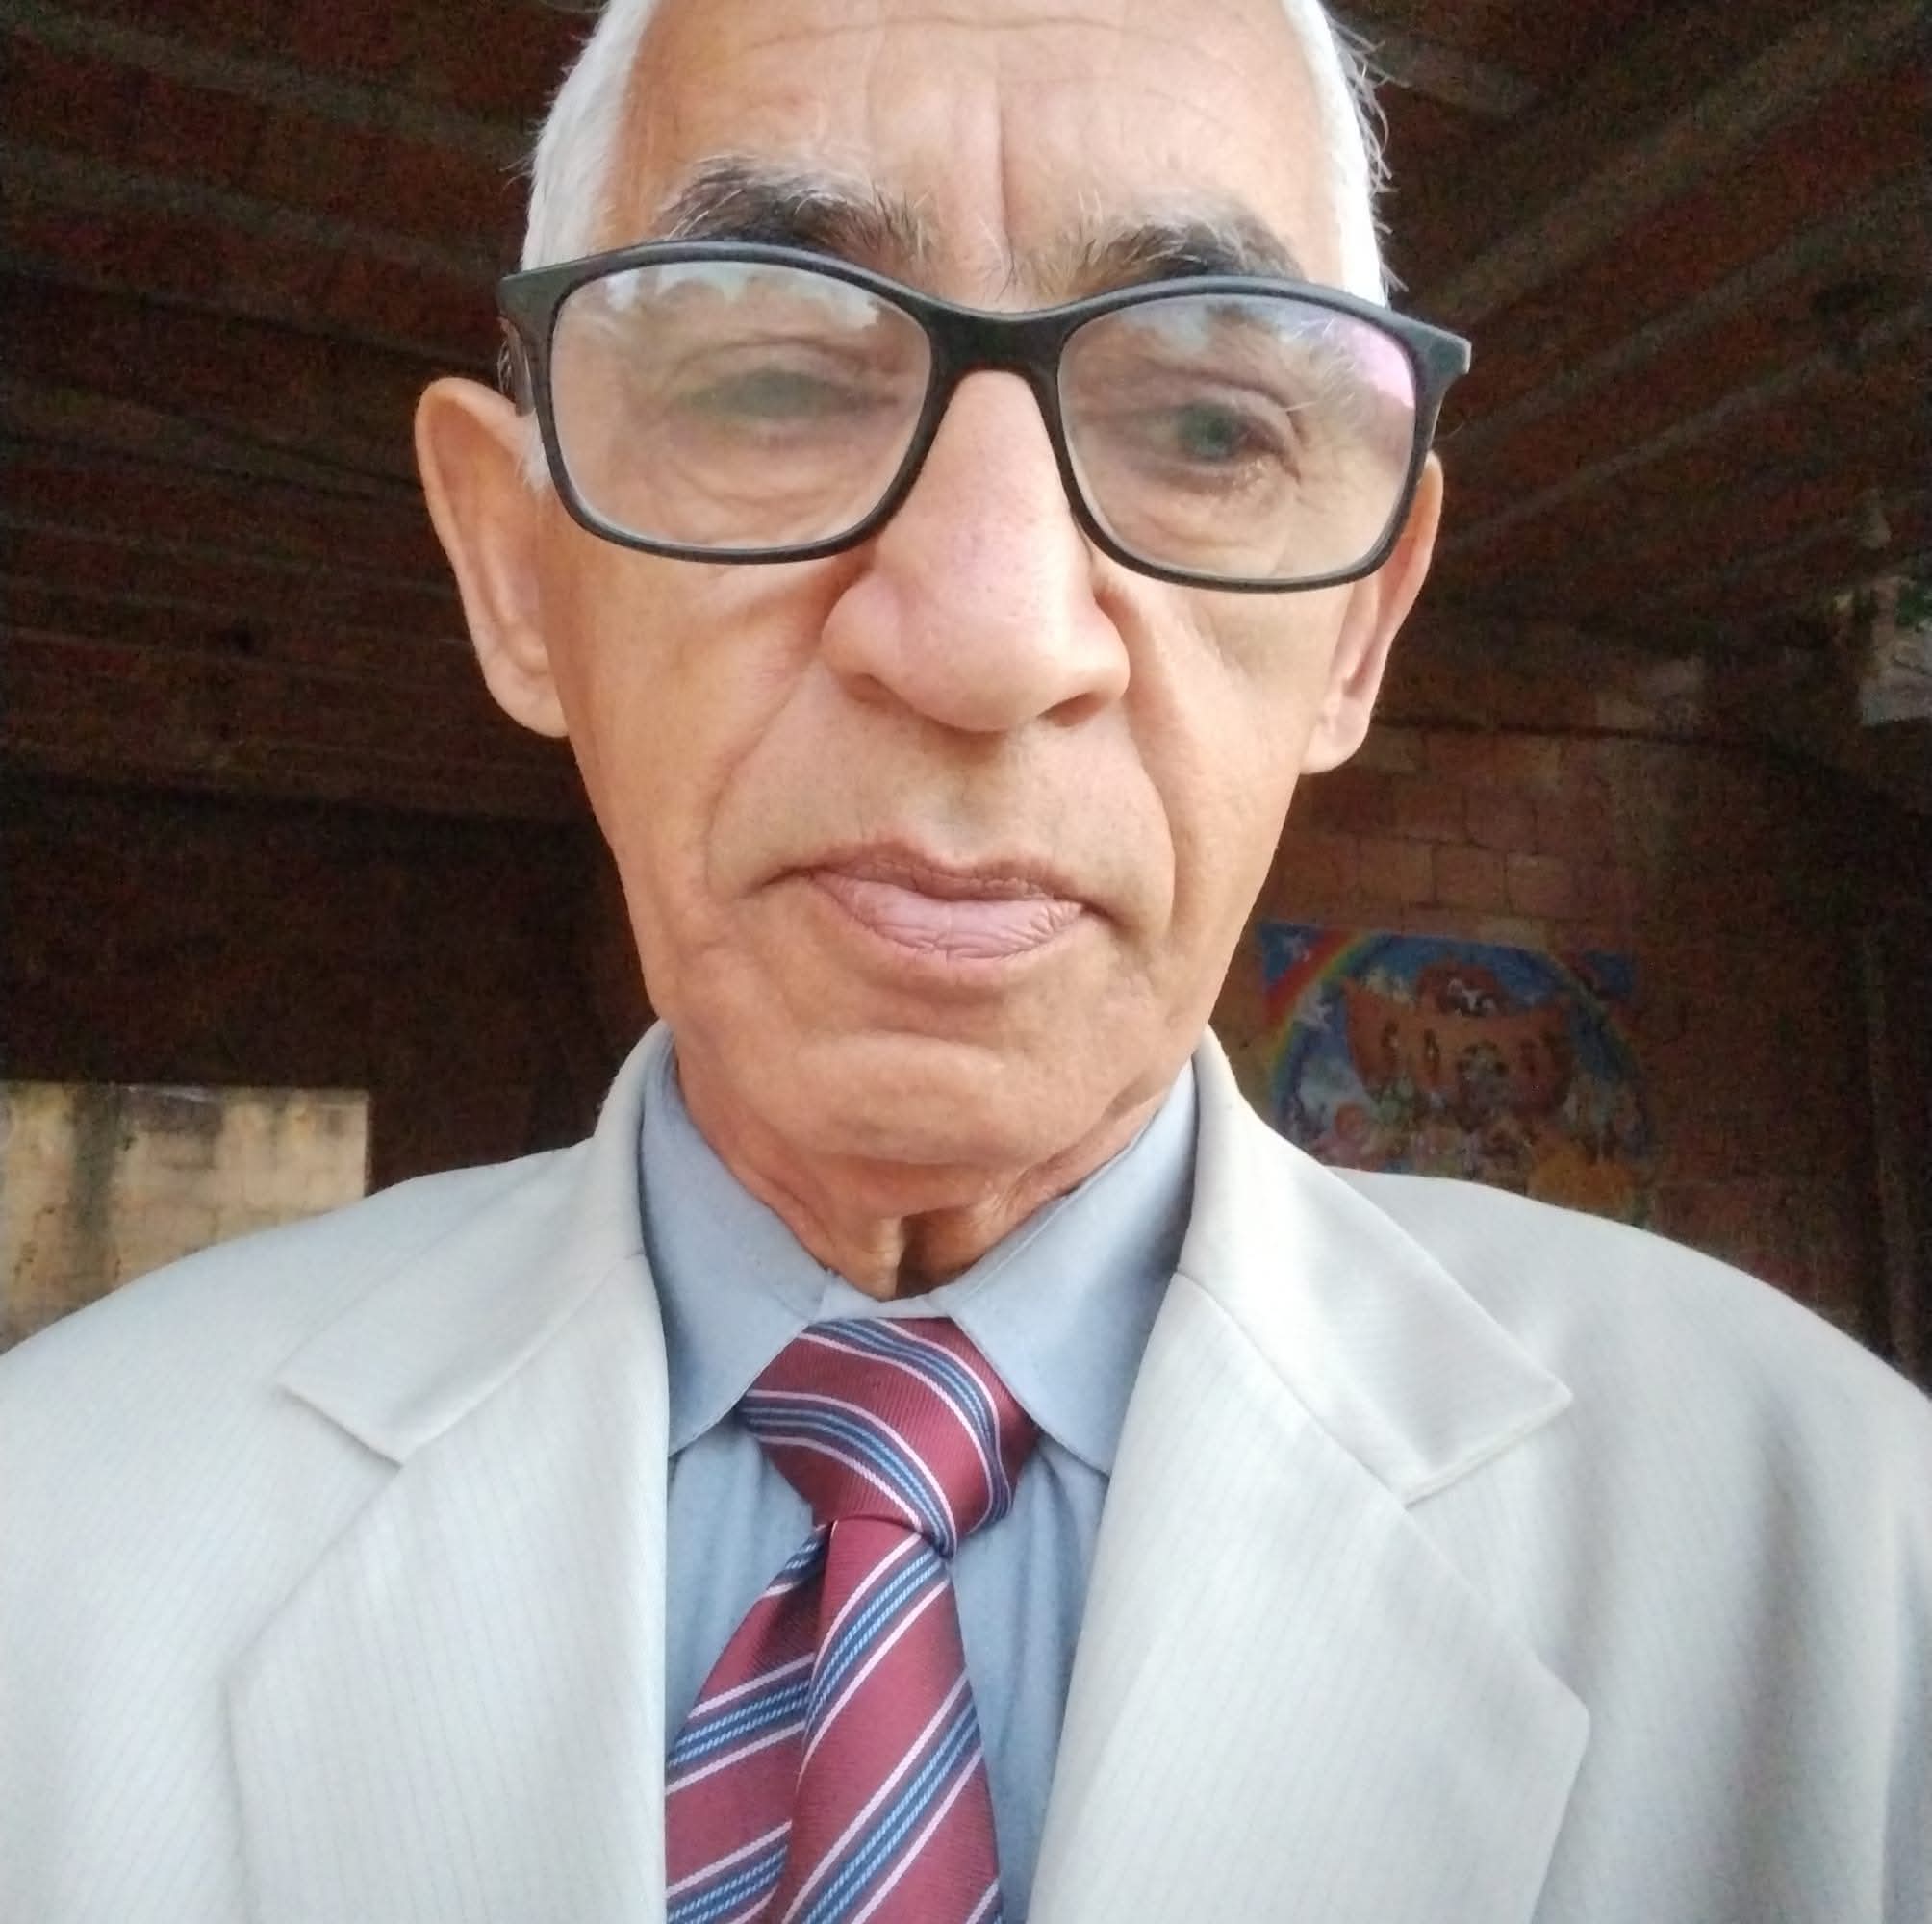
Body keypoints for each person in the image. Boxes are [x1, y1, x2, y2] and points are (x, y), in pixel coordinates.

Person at [3, 0, 1927, 1917]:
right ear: (521, 571)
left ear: (1356, 627)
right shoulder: (56, 1523)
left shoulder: (1843, 1561)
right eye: (773, 380)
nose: (989, 638)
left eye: (1206, 426)